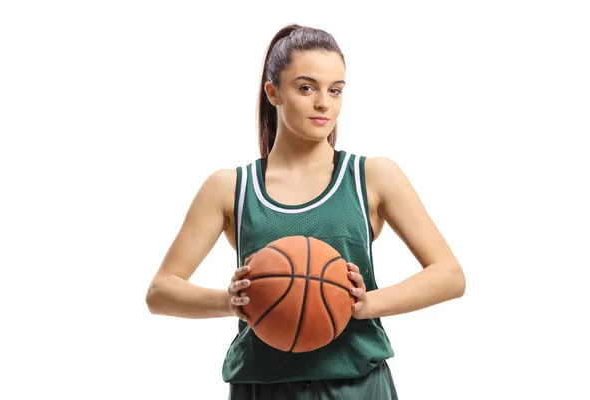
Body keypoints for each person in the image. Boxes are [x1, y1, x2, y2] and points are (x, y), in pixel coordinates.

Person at [145, 24, 466, 400]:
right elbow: (160, 291)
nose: (323, 104)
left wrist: (367, 304)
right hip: (263, 387)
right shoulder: (231, 186)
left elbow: (450, 275)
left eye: (336, 90)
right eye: (306, 87)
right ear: (273, 92)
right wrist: (229, 301)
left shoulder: (372, 177)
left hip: (358, 387)